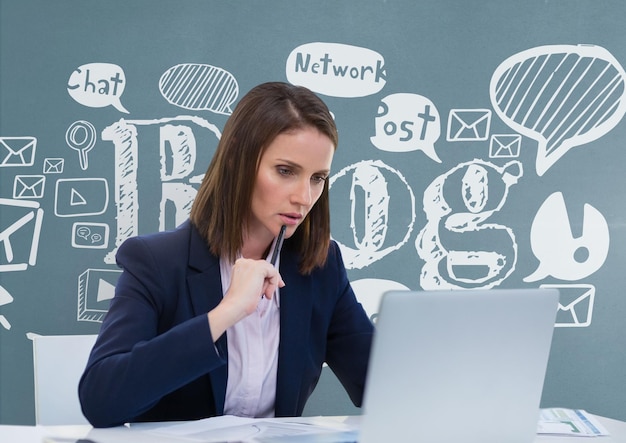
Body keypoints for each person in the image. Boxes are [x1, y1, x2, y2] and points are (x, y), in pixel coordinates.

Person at [78, 82, 374, 428]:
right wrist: (226, 312)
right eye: (285, 171)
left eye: (318, 178)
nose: (304, 197)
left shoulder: (320, 267)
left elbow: (380, 386)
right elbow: (100, 400)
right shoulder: (156, 261)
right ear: (238, 162)